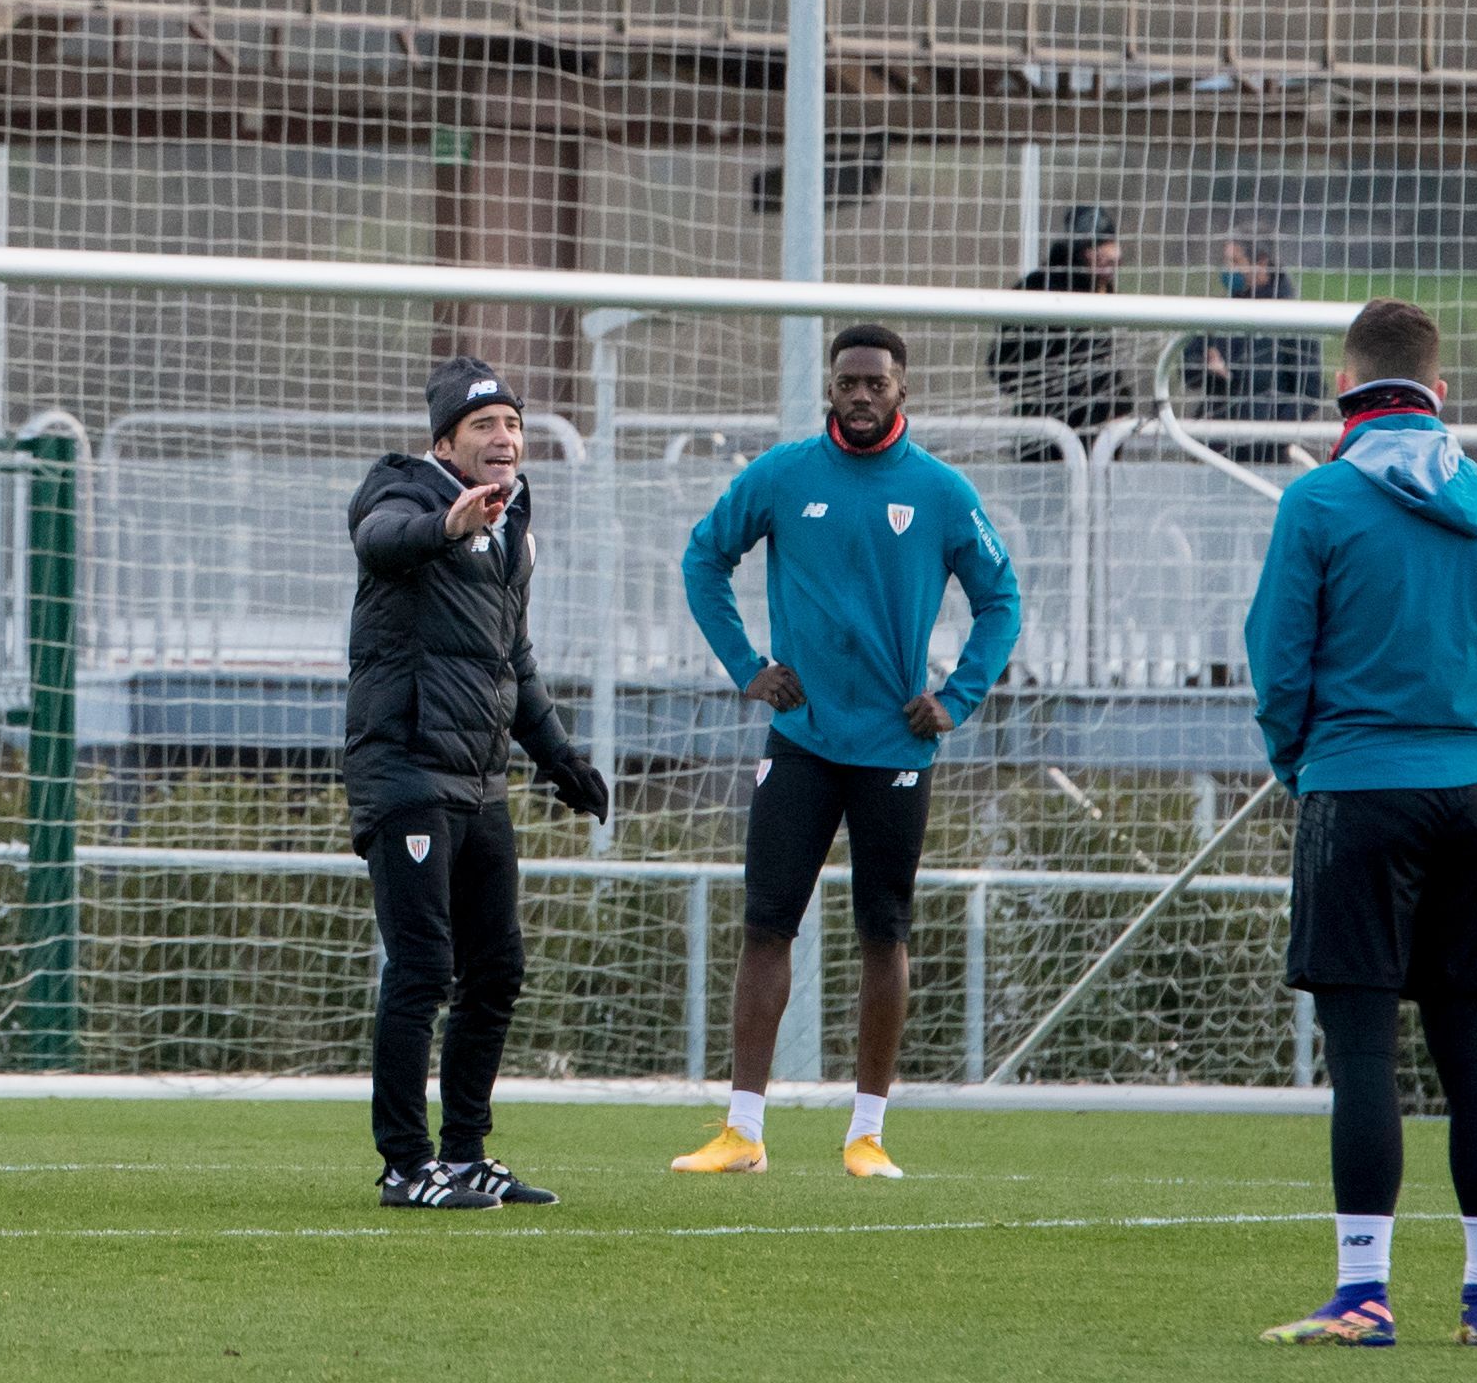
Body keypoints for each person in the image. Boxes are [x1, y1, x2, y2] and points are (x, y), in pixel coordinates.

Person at [1246, 297, 1477, 1348]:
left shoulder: (1320, 502)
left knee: (1365, 1051)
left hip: (1356, 789)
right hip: (1470, 796)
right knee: (1470, 1051)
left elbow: (1277, 662)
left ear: (1347, 390)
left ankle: (1365, 1293)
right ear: (1440, 392)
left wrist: (1301, 763)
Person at [670, 320, 1022, 1181]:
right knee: (765, 925)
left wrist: (958, 697)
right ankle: (742, 1130)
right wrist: (749, 669)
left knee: (883, 932)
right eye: (848, 382)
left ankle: (866, 1132)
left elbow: (1001, 599)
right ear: (830, 388)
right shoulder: (784, 475)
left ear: (903, 391)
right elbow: (703, 557)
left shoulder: (939, 492)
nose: (861, 395)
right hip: (801, 739)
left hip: (896, 746)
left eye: (877, 383)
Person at [340, 356, 610, 1210]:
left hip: (480, 783)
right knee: (422, 971)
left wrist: (559, 757)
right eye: (485, 427)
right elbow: (380, 543)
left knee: (495, 972)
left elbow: (511, 664)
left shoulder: (511, 525)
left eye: (514, 426)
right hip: (406, 774)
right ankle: (404, 1165)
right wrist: (445, 529)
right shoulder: (401, 497)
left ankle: (463, 1154)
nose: (506, 439)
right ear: (445, 442)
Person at [987, 208, 1138, 448]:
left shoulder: (1098, 292)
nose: (1110, 270)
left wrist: (1118, 404)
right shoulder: (1040, 288)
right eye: (1102, 257)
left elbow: (1101, 368)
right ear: (1083, 252)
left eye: (1114, 262)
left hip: (1093, 437)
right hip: (1045, 438)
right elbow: (1003, 368)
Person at [1190, 237, 1327, 425]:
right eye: (1226, 262)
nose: (1229, 269)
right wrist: (1207, 368)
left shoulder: (1293, 318)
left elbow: (1311, 391)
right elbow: (1189, 374)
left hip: (1265, 447)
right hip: (1214, 438)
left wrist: (1271, 435)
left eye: (1236, 262)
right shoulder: (1218, 313)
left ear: (1261, 263)